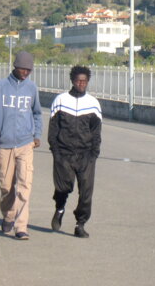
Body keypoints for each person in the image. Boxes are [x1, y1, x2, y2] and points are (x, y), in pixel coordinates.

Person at [0, 51, 42, 240]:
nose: (25, 73)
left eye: (29, 70)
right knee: (6, 187)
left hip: (26, 144)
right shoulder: (0, 87)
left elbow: (37, 113)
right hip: (4, 145)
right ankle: (8, 215)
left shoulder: (32, 88)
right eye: (22, 69)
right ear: (14, 66)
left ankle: (21, 226)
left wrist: (37, 134)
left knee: (24, 184)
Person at [48, 65, 102, 238]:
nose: (81, 84)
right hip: (64, 153)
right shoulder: (61, 100)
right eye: (78, 80)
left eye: (84, 81)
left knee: (86, 192)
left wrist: (94, 154)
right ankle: (60, 208)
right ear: (72, 80)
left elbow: (96, 132)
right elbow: (53, 130)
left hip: (86, 155)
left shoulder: (93, 104)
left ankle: (80, 224)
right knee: (63, 187)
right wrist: (56, 152)